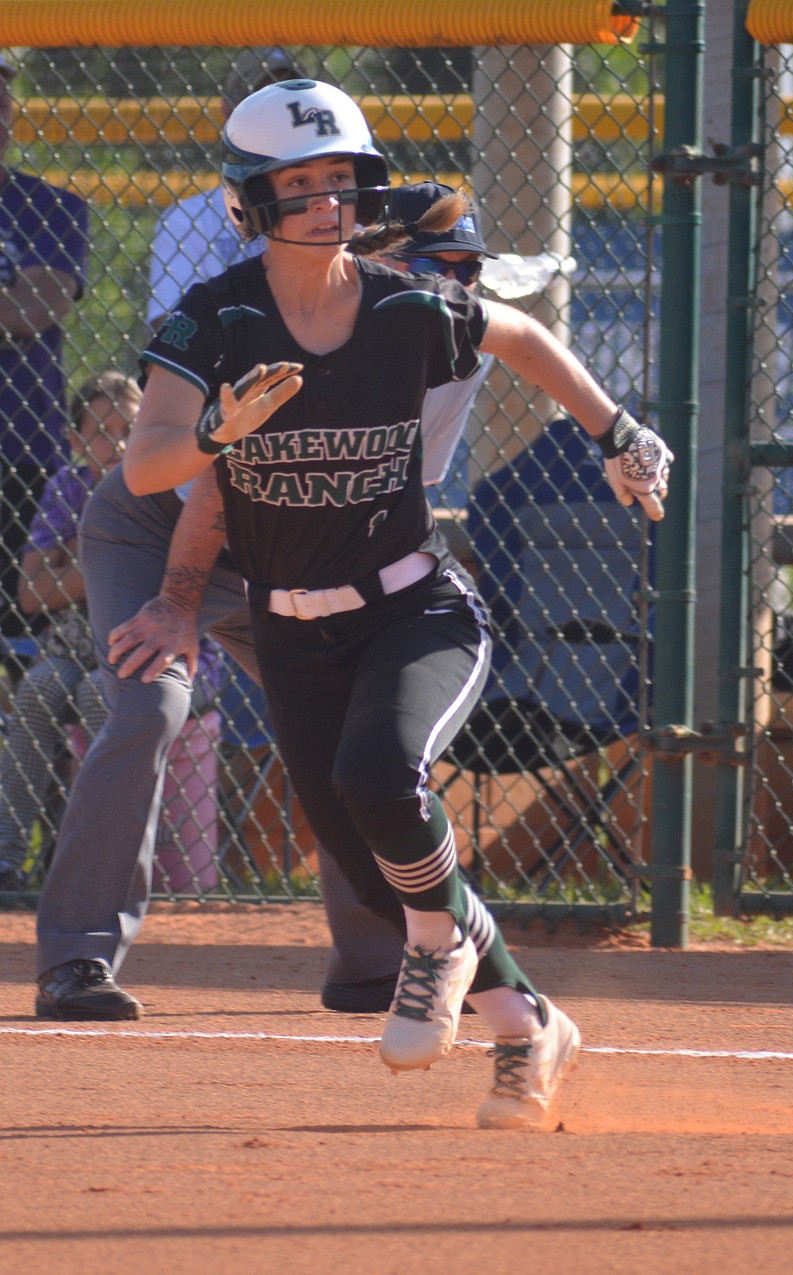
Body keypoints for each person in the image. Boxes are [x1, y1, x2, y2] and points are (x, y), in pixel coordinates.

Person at [122, 79, 672, 1130]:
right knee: (380, 872)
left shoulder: (401, 303)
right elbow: (150, 464)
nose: (326, 201)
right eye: (298, 183)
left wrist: (617, 435)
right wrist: (213, 436)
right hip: (291, 628)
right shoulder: (213, 320)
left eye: (342, 179)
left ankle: (442, 953)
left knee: (382, 775)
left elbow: (517, 337)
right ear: (249, 200)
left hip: (415, 607)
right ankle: (530, 1028)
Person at [32, 56, 406, 1023]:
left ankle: (377, 962)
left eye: (346, 187)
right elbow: (212, 484)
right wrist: (179, 604)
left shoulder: (421, 334)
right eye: (445, 263)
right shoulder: (258, 319)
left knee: (345, 736)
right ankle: (77, 957)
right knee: (150, 704)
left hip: (282, 555)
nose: (457, 281)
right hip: (163, 527)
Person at [0, 372, 139, 890]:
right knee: (36, 689)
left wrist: (69, 565)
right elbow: (30, 593)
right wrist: (108, 563)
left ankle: (93, 866)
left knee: (98, 697)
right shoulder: (68, 486)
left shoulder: (160, 483)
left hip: (139, 646)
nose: (118, 441)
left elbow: (159, 580)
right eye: (101, 430)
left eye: (129, 426)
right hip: (73, 643)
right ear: (76, 442)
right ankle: (6, 859)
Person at [0, 52, 89, 642]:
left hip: (20, 440)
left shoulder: (51, 207)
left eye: (3, 97)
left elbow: (33, 309)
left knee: (18, 621)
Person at [147, 47, 302, 333]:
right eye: (260, 103)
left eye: (289, 103)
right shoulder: (186, 219)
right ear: (229, 112)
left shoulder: (331, 203)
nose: (277, 117)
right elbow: (171, 327)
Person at [381, 180, 496, 509]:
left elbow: (410, 484)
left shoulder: (471, 347)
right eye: (428, 266)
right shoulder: (324, 327)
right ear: (376, 260)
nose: (451, 289)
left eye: (467, 270)